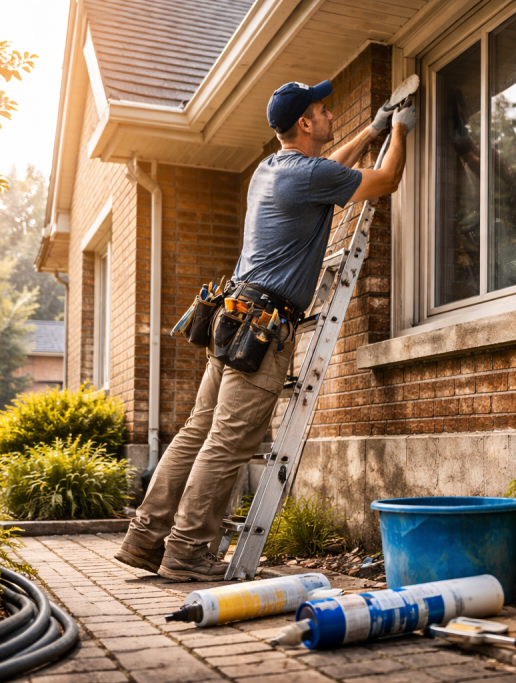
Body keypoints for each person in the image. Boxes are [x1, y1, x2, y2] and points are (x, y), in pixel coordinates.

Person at [115, 80, 416, 581]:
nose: (328, 114)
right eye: (321, 110)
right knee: (229, 442)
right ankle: (187, 551)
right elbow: (385, 179)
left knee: (196, 432)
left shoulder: (270, 169)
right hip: (264, 329)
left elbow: (328, 169)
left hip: (233, 316)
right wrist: (402, 130)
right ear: (304, 123)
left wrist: (371, 128)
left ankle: (146, 538)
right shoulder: (307, 175)